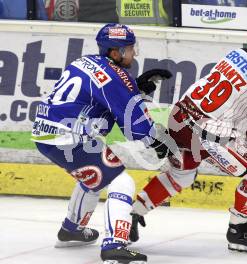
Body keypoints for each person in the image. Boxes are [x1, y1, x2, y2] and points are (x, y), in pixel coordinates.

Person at [129, 20, 247, 252]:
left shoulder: (237, 54)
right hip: (208, 132)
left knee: (181, 173)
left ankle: (135, 212)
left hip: (180, 117)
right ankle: (239, 230)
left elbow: (234, 107)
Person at [31, 23, 173, 263]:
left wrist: (134, 89)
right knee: (121, 180)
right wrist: (157, 141)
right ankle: (114, 245)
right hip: (70, 138)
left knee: (94, 177)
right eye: (129, 49)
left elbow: (102, 98)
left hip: (45, 135)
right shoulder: (116, 76)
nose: (134, 53)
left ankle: (71, 229)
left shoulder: (84, 62)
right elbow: (135, 126)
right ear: (115, 52)